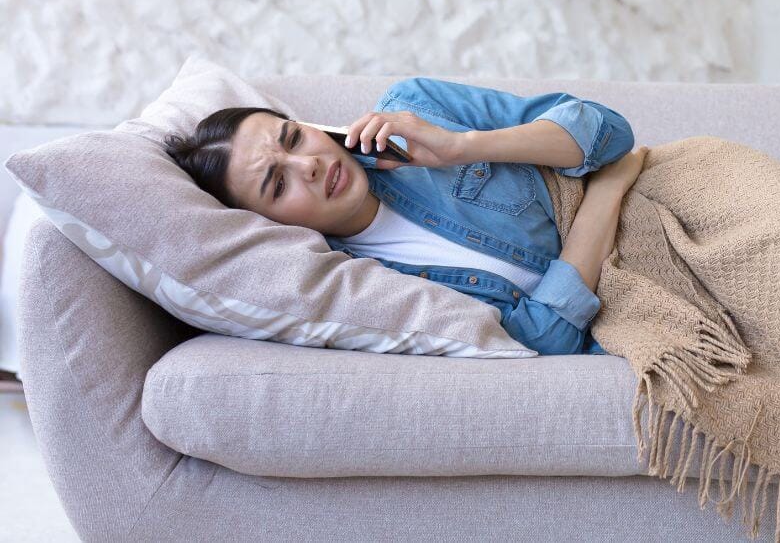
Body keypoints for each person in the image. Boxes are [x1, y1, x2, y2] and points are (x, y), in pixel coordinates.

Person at [163, 77, 646, 356]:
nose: (307, 164)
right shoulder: (362, 288)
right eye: (278, 183)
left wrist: (461, 146)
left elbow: (609, 132)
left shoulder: (413, 107)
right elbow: (547, 340)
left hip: (656, 204)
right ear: (264, 224)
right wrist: (605, 191)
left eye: (293, 139)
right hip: (641, 298)